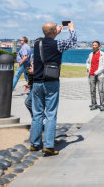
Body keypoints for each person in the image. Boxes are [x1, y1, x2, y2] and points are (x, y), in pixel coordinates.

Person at [30, 21, 77, 156]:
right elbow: (73, 41)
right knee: (51, 114)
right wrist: (71, 29)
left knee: (37, 114)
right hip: (51, 82)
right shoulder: (58, 44)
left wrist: (54, 33)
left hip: (37, 82)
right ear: (54, 32)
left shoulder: (37, 43)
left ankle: (35, 143)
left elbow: (47, 44)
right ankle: (48, 145)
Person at [86, 41, 104, 111]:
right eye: (93, 45)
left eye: (95, 45)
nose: (94, 46)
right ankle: (94, 104)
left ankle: (102, 105)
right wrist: (88, 68)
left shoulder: (103, 54)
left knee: (101, 90)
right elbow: (88, 62)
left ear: (98, 46)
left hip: (100, 75)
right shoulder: (90, 54)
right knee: (92, 90)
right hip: (91, 74)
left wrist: (97, 72)